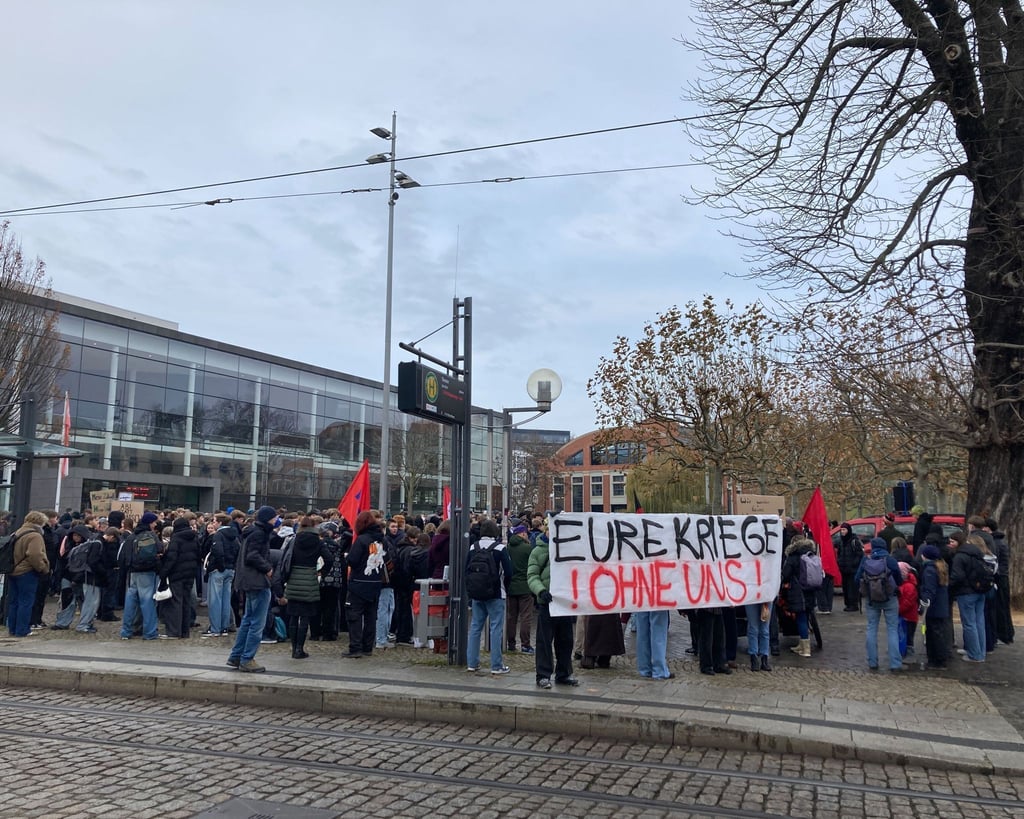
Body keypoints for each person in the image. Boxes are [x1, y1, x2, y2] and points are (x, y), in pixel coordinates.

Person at [226, 505, 277, 672]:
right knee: (257, 622)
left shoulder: (251, 531)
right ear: (268, 519)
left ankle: (236, 656)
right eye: (274, 518)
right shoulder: (260, 533)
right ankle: (247, 658)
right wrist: (268, 568)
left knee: (248, 620)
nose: (276, 520)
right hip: (257, 580)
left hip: (247, 580)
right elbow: (252, 556)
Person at [526, 526, 578, 688]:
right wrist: (541, 591)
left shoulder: (568, 549)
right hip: (547, 603)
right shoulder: (538, 551)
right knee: (544, 641)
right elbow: (532, 575)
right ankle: (543, 675)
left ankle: (563, 673)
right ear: (546, 531)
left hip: (564, 603)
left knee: (566, 640)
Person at [278, 515, 332, 659]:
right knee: (305, 617)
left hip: (294, 578)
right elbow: (329, 559)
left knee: (293, 616)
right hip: (309, 578)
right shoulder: (318, 542)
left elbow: (285, 559)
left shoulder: (294, 540)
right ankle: (300, 649)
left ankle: (293, 648)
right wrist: (322, 572)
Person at [465, 518, 513, 674]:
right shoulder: (500, 548)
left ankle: (472, 663)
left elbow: (467, 570)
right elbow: (509, 572)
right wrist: (505, 586)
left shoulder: (474, 547)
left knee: (475, 628)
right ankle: (496, 665)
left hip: (477, 593)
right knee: (495, 628)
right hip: (496, 593)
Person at [854, 536, 904, 671]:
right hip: (890, 598)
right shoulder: (890, 560)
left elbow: (856, 578)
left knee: (871, 629)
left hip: (871, 599)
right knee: (892, 630)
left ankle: (872, 662)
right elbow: (899, 580)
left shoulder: (866, 560)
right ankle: (895, 663)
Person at [343, 510, 386, 658]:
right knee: (370, 616)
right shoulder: (381, 540)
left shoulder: (361, 540)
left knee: (354, 616)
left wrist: (346, 558)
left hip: (358, 583)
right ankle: (368, 647)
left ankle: (355, 648)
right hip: (375, 582)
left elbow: (353, 561)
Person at [118, 511, 164, 641]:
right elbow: (160, 549)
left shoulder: (131, 536)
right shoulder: (150, 535)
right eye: (154, 522)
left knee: (130, 602)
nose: (155, 524)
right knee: (147, 602)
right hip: (147, 572)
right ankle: (149, 632)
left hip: (132, 573)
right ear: (150, 523)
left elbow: (123, 556)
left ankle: (126, 631)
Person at [6, 511, 50, 637]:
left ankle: (12, 628)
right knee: (26, 602)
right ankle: (22, 629)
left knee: (14, 601)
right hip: (27, 571)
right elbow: (34, 554)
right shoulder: (34, 535)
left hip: (13, 570)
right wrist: (42, 567)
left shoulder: (18, 532)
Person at [949, 532, 989, 663]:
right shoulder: (977, 553)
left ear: (958, 542)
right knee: (979, 622)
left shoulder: (959, 557)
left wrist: (950, 586)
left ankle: (974, 654)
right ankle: (980, 651)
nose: (950, 544)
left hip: (966, 593)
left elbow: (958, 576)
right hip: (980, 590)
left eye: (952, 542)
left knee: (969, 624)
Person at [160, 514, 200, 638]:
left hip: (176, 574)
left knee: (175, 602)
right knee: (186, 602)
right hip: (190, 574)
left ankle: (174, 631)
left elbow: (172, 558)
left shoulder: (176, 538)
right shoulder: (195, 537)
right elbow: (199, 555)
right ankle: (184, 631)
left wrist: (164, 573)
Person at [203, 513, 241, 637]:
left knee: (215, 600)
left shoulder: (218, 535)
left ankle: (215, 628)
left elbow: (218, 551)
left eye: (214, 521)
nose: (213, 523)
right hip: (230, 569)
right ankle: (224, 627)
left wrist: (220, 566)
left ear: (220, 523)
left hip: (219, 570)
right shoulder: (234, 536)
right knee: (225, 600)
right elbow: (238, 551)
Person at [780, 536, 817, 658]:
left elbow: (785, 574)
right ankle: (802, 644)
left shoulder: (793, 557)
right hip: (810, 590)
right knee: (806, 616)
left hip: (797, 591)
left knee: (801, 618)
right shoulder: (811, 553)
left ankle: (806, 648)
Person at [918, 544, 951, 669]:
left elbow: (929, 591)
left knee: (934, 634)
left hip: (933, 608)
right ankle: (939, 658)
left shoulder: (929, 570)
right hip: (940, 606)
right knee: (938, 633)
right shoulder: (940, 567)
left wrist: (923, 606)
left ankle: (938, 660)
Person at [504, 524, 535, 654]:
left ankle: (511, 643)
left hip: (511, 587)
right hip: (525, 586)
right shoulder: (528, 548)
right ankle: (525, 644)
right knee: (525, 617)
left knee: (512, 617)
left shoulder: (507, 548)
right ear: (522, 534)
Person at [835, 523, 863, 611]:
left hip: (852, 569)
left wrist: (853, 563)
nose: (842, 532)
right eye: (841, 530)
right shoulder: (840, 541)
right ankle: (848, 604)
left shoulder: (854, 541)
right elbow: (839, 553)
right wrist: (839, 562)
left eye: (844, 530)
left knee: (852, 588)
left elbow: (859, 555)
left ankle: (853, 604)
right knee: (845, 587)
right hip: (843, 568)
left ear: (848, 530)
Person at [896, 562, 919, 657]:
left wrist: (898, 610)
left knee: (908, 636)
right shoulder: (906, 584)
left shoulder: (909, 586)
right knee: (904, 635)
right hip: (906, 616)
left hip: (909, 617)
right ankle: (903, 651)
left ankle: (909, 653)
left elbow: (908, 602)